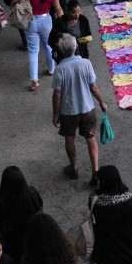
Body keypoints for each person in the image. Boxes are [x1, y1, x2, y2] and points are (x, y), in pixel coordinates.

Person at [52, 33, 108, 183]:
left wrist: (55, 114)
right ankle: (95, 172)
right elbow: (93, 87)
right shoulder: (86, 63)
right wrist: (102, 102)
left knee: (69, 138)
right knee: (91, 138)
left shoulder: (60, 69)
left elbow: (57, 95)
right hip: (87, 108)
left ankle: (74, 166)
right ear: (76, 47)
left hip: (68, 111)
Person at [0, 166, 43, 263]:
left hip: (14, 248)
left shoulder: (3, 202)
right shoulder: (32, 194)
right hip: (33, 241)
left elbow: (0, 228)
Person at [22, 0, 61, 91]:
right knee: (48, 46)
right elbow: (58, 9)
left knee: (33, 51)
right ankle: (51, 69)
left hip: (32, 21)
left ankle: (34, 80)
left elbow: (16, 0)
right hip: (46, 21)